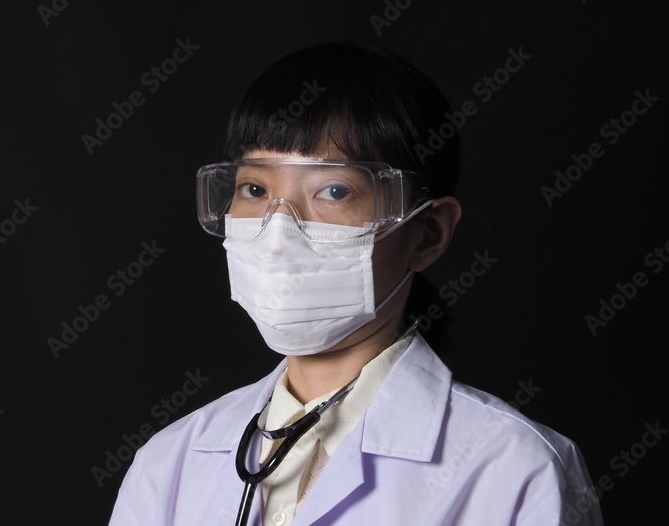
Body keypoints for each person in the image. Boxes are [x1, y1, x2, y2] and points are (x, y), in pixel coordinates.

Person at [108, 42, 602, 526]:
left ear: (426, 234)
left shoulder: (516, 471)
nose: (279, 230)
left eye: (334, 190)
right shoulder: (170, 463)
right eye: (255, 189)